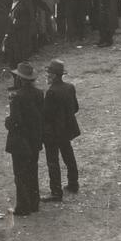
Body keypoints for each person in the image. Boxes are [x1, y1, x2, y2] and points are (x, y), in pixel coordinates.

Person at [4, 62, 44, 217]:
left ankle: (23, 206)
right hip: (34, 139)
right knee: (32, 171)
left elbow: (15, 122)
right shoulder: (39, 93)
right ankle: (34, 203)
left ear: (20, 79)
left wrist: (7, 121)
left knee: (20, 174)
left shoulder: (17, 97)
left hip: (20, 141)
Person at [42, 59, 80, 202]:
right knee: (68, 156)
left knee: (53, 161)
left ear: (53, 75)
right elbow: (75, 108)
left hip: (53, 133)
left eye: (48, 73)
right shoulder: (70, 87)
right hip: (66, 130)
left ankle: (56, 192)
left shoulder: (51, 92)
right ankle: (73, 183)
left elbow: (46, 115)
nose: (47, 75)